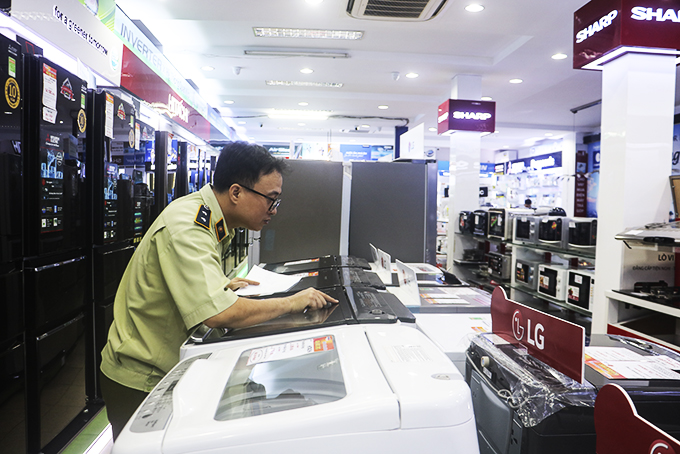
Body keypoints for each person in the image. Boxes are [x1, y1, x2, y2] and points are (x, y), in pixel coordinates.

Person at [100, 141, 337, 439]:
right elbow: (219, 313)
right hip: (141, 382)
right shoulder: (188, 226)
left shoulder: (211, 219)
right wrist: (292, 302)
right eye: (271, 199)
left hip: (161, 370)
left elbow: (189, 281)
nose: (274, 210)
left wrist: (219, 284)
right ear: (236, 192)